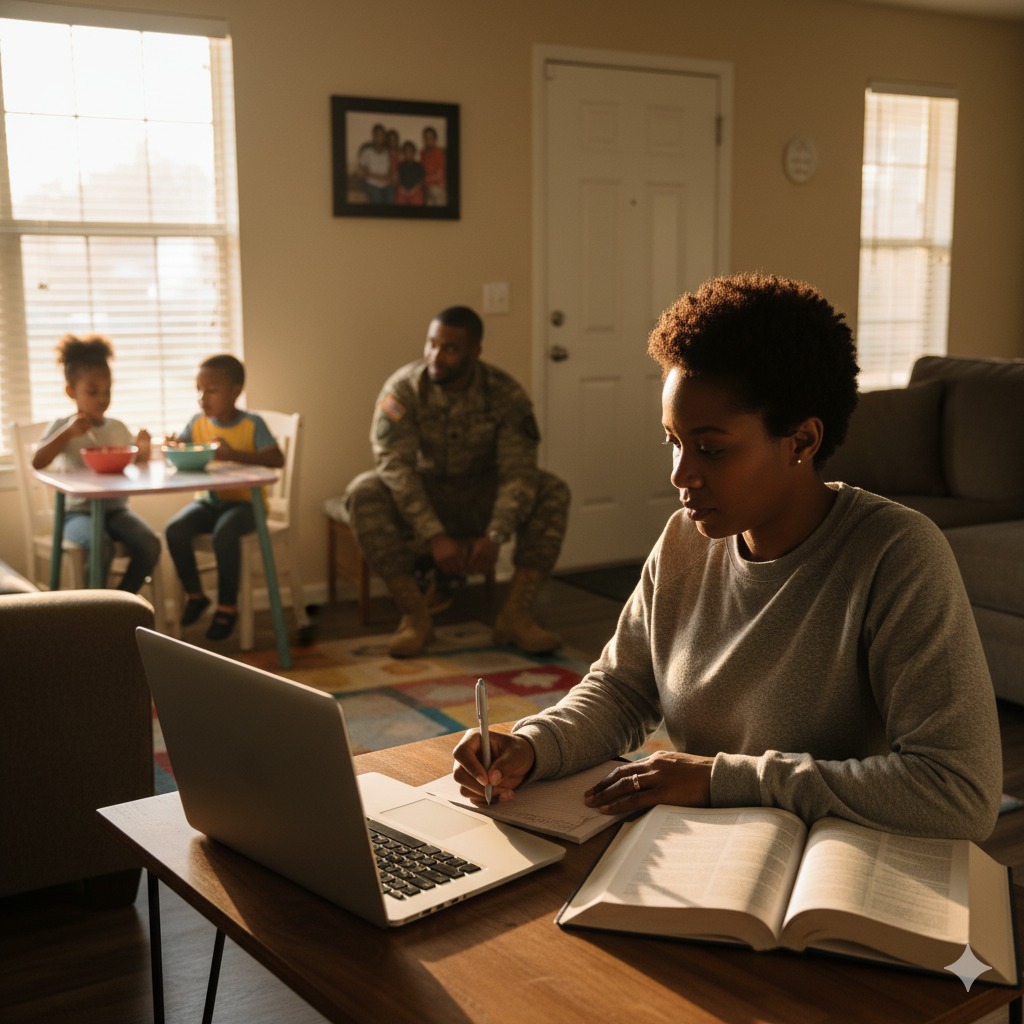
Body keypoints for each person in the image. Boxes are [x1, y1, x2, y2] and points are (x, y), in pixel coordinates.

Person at [453, 273, 1002, 841]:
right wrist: (532, 745)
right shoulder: (684, 541)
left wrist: (722, 779)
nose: (680, 474)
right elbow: (623, 689)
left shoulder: (895, 555)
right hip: (711, 853)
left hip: (827, 879)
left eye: (711, 449)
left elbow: (960, 792)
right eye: (673, 441)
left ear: (802, 441)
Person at [343, 305, 570, 659]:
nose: (436, 355)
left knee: (552, 490)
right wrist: (434, 534)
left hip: (482, 495)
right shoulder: (403, 390)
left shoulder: (505, 394)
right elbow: (395, 466)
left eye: (449, 348)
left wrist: (496, 533)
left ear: (474, 352)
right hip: (427, 496)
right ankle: (416, 618)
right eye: (431, 344)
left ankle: (515, 616)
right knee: (363, 492)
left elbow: (519, 470)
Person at [164, 354, 284, 641]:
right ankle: (196, 595)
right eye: (199, 390)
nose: (203, 398)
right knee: (175, 530)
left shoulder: (252, 424)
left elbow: (276, 458)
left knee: (225, 534)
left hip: (246, 505)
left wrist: (234, 454)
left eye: (212, 390)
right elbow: (183, 446)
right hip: (209, 501)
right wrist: (174, 444)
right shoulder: (198, 423)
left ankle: (227, 607)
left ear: (235, 390)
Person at [32, 334, 160, 594]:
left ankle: (120, 604)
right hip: (78, 513)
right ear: (71, 392)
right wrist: (68, 433)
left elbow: (135, 459)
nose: (102, 398)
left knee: (150, 544)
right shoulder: (63, 427)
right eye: (93, 391)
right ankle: (94, 612)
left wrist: (143, 448)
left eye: (107, 390)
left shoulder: (117, 427)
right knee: (102, 547)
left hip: (116, 511)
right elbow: (38, 462)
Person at [420, 126, 446, 207]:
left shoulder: (438, 154)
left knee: (434, 192)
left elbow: (439, 176)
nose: (428, 141)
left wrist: (425, 180)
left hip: (436, 186)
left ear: (435, 139)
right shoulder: (422, 153)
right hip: (425, 187)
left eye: (430, 138)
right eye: (426, 138)